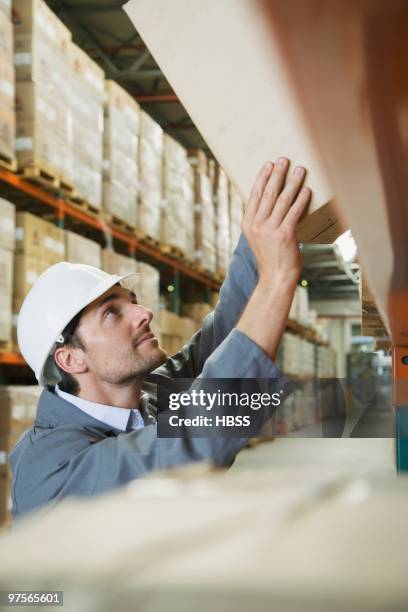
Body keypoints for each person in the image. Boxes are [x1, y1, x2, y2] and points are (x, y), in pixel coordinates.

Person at [10, 158, 310, 517]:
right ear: (71, 358)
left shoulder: (146, 398)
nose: (144, 313)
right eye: (112, 312)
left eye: (131, 302)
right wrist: (278, 277)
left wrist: (265, 210)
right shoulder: (49, 470)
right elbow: (188, 447)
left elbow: (225, 330)